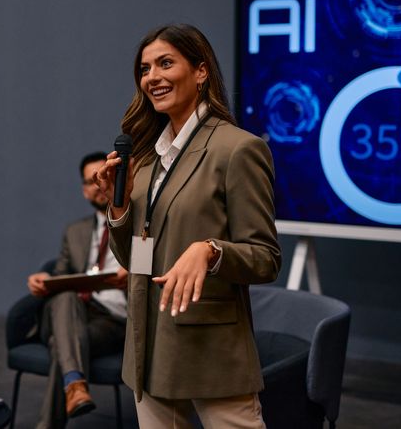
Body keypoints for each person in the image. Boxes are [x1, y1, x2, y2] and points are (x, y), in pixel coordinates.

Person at [95, 24, 281, 428]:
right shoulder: (145, 156)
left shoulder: (238, 149)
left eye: (165, 63)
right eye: (145, 69)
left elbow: (266, 259)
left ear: (200, 72)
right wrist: (119, 207)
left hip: (210, 349)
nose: (152, 78)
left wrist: (210, 251)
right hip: (148, 348)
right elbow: (134, 259)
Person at [26, 152, 128, 429]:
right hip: (72, 309)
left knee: (62, 344)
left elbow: (150, 271)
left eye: (103, 177)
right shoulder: (75, 231)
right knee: (66, 297)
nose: (98, 185)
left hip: (111, 320)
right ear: (84, 191)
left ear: (118, 179)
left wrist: (133, 277)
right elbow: (61, 276)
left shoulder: (139, 225)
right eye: (90, 181)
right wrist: (44, 278)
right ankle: (75, 386)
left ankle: (74, 386)